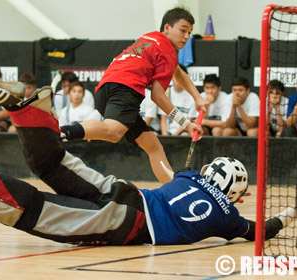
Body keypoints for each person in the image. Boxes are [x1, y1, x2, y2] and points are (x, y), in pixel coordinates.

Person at [0, 80, 297, 245]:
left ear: (209, 172)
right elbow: (263, 231)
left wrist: (145, 134)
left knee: (53, 163)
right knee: (39, 211)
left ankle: (28, 111)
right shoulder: (230, 218)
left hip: (124, 191)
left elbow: (161, 163)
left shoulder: (188, 177)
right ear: (236, 194)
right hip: (127, 224)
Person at [59, 7, 208, 184]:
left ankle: (174, 190)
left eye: (189, 33)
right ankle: (61, 132)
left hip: (104, 89)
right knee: (114, 132)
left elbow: (178, 72)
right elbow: (158, 97)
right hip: (125, 89)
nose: (186, 37)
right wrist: (186, 123)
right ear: (167, 28)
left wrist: (197, 97)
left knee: (152, 145)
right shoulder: (168, 51)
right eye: (182, 30)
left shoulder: (151, 38)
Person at [160, 65, 197, 136]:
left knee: (184, 135)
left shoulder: (192, 96)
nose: (177, 81)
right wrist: (165, 135)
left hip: (183, 131)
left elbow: (189, 120)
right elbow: (163, 118)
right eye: (175, 78)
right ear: (171, 77)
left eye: (180, 78)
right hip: (168, 132)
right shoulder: (166, 93)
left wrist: (174, 135)